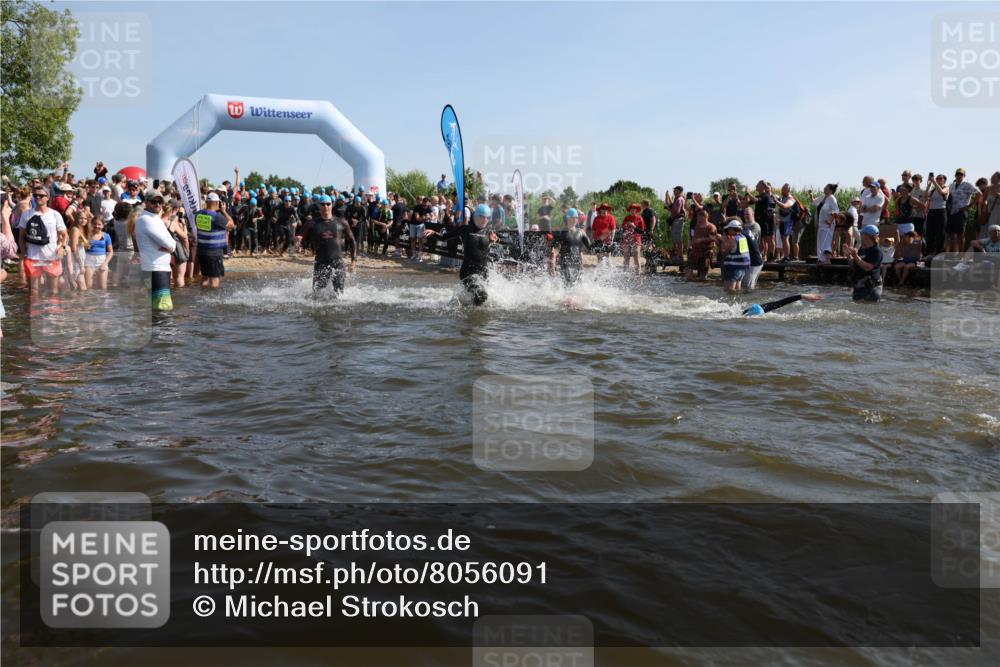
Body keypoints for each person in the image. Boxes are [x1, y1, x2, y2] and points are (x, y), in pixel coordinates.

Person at [426, 203, 497, 305]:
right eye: (482, 217)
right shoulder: (465, 229)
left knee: (482, 298)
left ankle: (470, 312)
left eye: (487, 218)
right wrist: (433, 233)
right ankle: (473, 318)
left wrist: (495, 240)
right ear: (476, 216)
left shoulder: (488, 232)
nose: (485, 220)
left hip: (483, 272)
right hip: (468, 271)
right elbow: (444, 237)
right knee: (482, 295)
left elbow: (506, 241)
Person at [133, 189, 176, 311]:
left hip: (154, 268)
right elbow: (169, 243)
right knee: (163, 307)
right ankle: (162, 330)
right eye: (154, 201)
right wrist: (172, 246)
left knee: (155, 306)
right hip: (156, 269)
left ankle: (156, 329)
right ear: (146, 202)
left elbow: (169, 242)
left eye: (160, 201)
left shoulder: (154, 219)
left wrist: (170, 245)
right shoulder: (147, 220)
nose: (157, 204)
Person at [304, 195, 356, 295]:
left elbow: (353, 241)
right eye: (323, 204)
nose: (326, 207)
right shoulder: (313, 223)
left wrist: (353, 261)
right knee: (316, 294)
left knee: (340, 294)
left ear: (332, 205)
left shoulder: (341, 222)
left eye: (328, 204)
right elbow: (301, 234)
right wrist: (299, 240)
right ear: (319, 206)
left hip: (338, 263)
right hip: (320, 263)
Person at [22, 186, 68, 298]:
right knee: (33, 292)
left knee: (53, 291)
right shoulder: (27, 214)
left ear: (48, 198)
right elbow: (21, 236)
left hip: (51, 256)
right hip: (33, 257)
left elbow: (64, 234)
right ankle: (36, 313)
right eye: (35, 195)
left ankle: (52, 313)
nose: (38, 197)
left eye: (41, 195)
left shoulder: (55, 214)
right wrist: (24, 252)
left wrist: (62, 248)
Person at [194, 191, 234, 289]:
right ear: (217, 203)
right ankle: (212, 300)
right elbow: (231, 225)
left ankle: (202, 296)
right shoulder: (217, 217)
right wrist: (224, 211)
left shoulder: (198, 214)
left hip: (201, 251)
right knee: (214, 280)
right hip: (214, 253)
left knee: (205, 277)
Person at [550, 208, 591, 285]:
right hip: (565, 263)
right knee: (568, 285)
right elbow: (554, 250)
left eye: (577, 217)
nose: (576, 219)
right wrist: (553, 266)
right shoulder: (561, 233)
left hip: (577, 263)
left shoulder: (581, 232)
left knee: (577, 285)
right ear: (568, 218)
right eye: (574, 217)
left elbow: (590, 247)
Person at [845, 224, 883, 302]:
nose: (860, 236)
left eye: (862, 234)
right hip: (859, 286)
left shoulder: (876, 251)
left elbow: (868, 267)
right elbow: (853, 265)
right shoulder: (862, 249)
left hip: (871, 287)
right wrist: (848, 254)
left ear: (867, 236)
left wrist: (855, 256)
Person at [947, 168, 980, 254]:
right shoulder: (952, 185)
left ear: (964, 176)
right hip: (951, 212)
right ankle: (953, 254)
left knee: (960, 235)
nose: (959, 175)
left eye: (961, 174)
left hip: (961, 212)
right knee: (951, 235)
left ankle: (960, 255)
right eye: (957, 174)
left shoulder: (967, 184)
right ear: (955, 175)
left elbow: (979, 194)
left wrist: (968, 206)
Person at [685, 208, 718, 280]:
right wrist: (691, 244)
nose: (698, 219)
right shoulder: (697, 226)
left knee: (702, 275)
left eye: (700, 218)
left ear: (705, 217)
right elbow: (694, 237)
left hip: (706, 252)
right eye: (698, 217)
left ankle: (703, 288)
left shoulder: (711, 227)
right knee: (688, 270)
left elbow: (713, 238)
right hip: (695, 251)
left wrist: (701, 240)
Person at [83, 213, 114, 290]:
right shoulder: (87, 235)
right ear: (92, 224)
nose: (97, 226)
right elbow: (81, 249)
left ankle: (102, 302)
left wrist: (105, 263)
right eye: (95, 224)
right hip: (89, 260)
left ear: (103, 225)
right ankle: (90, 302)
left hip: (102, 261)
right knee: (88, 287)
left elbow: (110, 252)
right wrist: (86, 247)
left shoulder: (106, 236)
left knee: (103, 287)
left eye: (99, 224)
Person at [810, 184, 840, 264]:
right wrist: (811, 195)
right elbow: (813, 202)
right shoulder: (823, 197)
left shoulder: (832, 199)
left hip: (828, 224)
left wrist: (830, 220)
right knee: (820, 241)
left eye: (825, 187)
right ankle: (821, 259)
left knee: (826, 241)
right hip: (821, 224)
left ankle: (827, 260)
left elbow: (836, 211)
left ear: (830, 190)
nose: (824, 188)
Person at [720, 219, 750, 293]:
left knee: (728, 290)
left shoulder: (732, 239)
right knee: (737, 288)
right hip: (742, 268)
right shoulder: (743, 237)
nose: (727, 230)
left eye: (728, 229)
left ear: (732, 229)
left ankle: (729, 304)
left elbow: (724, 252)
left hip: (734, 268)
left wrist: (723, 240)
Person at [925, 172, 949, 257]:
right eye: (937, 178)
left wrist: (934, 182)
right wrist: (928, 185)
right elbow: (925, 196)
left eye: (940, 178)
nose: (938, 179)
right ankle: (929, 252)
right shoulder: (933, 190)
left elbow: (942, 192)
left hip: (941, 212)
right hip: (931, 212)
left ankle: (940, 253)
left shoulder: (946, 188)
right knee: (929, 233)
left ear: (944, 181)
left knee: (940, 233)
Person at [743, 293, 823, 316]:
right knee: (778, 304)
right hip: (756, 310)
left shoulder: (747, 313)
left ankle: (801, 296)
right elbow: (780, 303)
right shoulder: (754, 311)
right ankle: (801, 296)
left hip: (755, 311)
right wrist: (801, 296)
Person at [621, 203, 645, 274]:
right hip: (626, 239)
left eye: (634, 209)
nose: (632, 211)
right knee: (626, 256)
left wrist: (634, 226)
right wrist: (625, 228)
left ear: (636, 211)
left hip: (636, 239)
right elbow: (623, 229)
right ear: (629, 210)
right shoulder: (626, 218)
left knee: (636, 255)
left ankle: (638, 273)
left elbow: (642, 231)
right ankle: (625, 273)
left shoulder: (639, 218)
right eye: (631, 209)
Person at [667, 186, 686, 260]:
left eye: (675, 190)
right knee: (675, 237)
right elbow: (673, 207)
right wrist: (668, 196)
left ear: (680, 191)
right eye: (674, 190)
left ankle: (680, 256)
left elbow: (676, 211)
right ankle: (677, 255)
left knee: (678, 238)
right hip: (677, 219)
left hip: (678, 220)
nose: (674, 191)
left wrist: (669, 209)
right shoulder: (677, 199)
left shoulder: (679, 199)